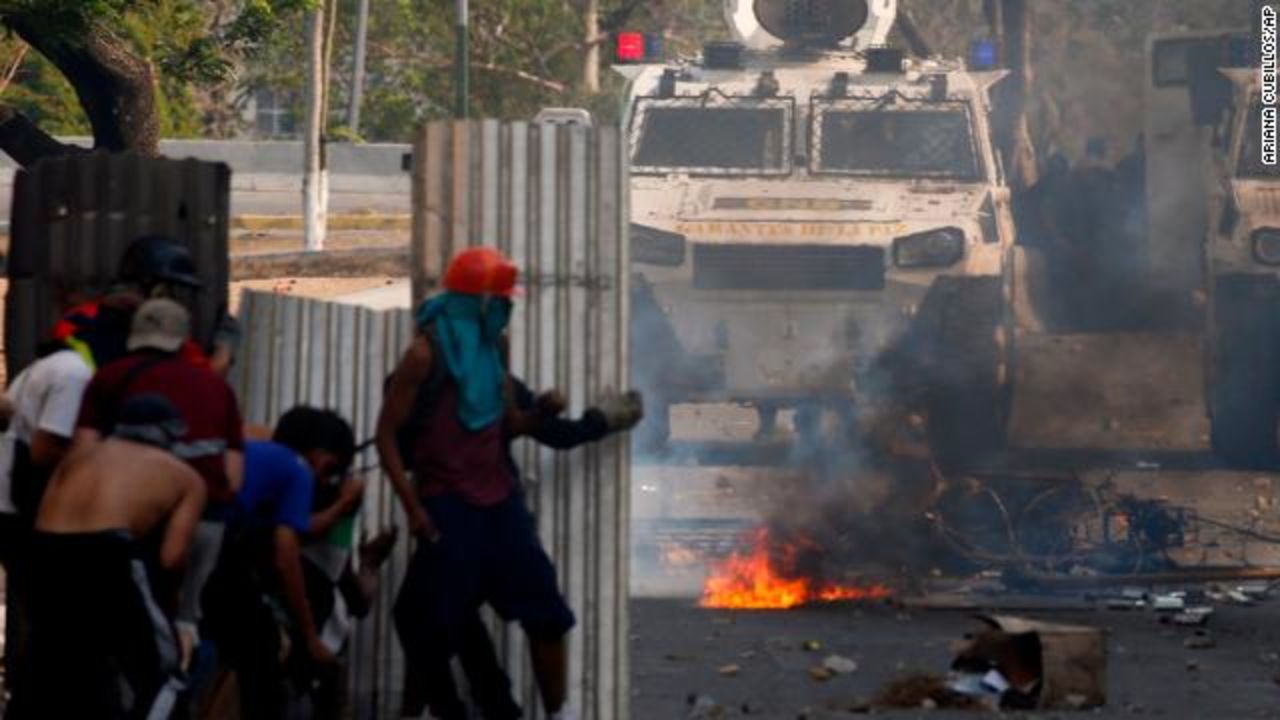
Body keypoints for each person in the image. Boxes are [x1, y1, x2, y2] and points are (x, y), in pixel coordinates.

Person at [377, 246, 577, 720]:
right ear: (478, 301)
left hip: (500, 502)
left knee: (547, 613)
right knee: (430, 624)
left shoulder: (494, 346)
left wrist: (540, 413)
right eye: (500, 300)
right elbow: (385, 436)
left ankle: (559, 714)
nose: (508, 308)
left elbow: (506, 424)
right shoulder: (423, 354)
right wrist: (414, 510)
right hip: (448, 505)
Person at [397, 377, 644, 720]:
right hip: (452, 520)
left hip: (493, 516)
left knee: (529, 616)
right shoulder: (417, 378)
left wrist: (596, 419)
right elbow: (398, 447)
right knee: (425, 618)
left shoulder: (496, 377)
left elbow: (548, 430)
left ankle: (527, 711)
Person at [5, 394, 206, 719]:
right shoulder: (185, 476)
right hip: (109, 556)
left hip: (43, 555)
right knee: (163, 674)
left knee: (50, 661)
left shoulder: (75, 457)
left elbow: (44, 516)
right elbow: (172, 558)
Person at [74, 298, 245, 653]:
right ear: (183, 340)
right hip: (205, 523)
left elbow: (82, 454)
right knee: (187, 623)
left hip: (133, 522)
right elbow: (233, 477)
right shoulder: (217, 387)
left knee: (124, 630)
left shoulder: (110, 377)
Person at [201, 406, 357, 719]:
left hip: (196, 547)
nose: (323, 478)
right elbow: (286, 557)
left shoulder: (251, 448)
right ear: (317, 450)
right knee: (261, 657)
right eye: (329, 467)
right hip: (218, 552)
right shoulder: (295, 468)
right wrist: (311, 636)